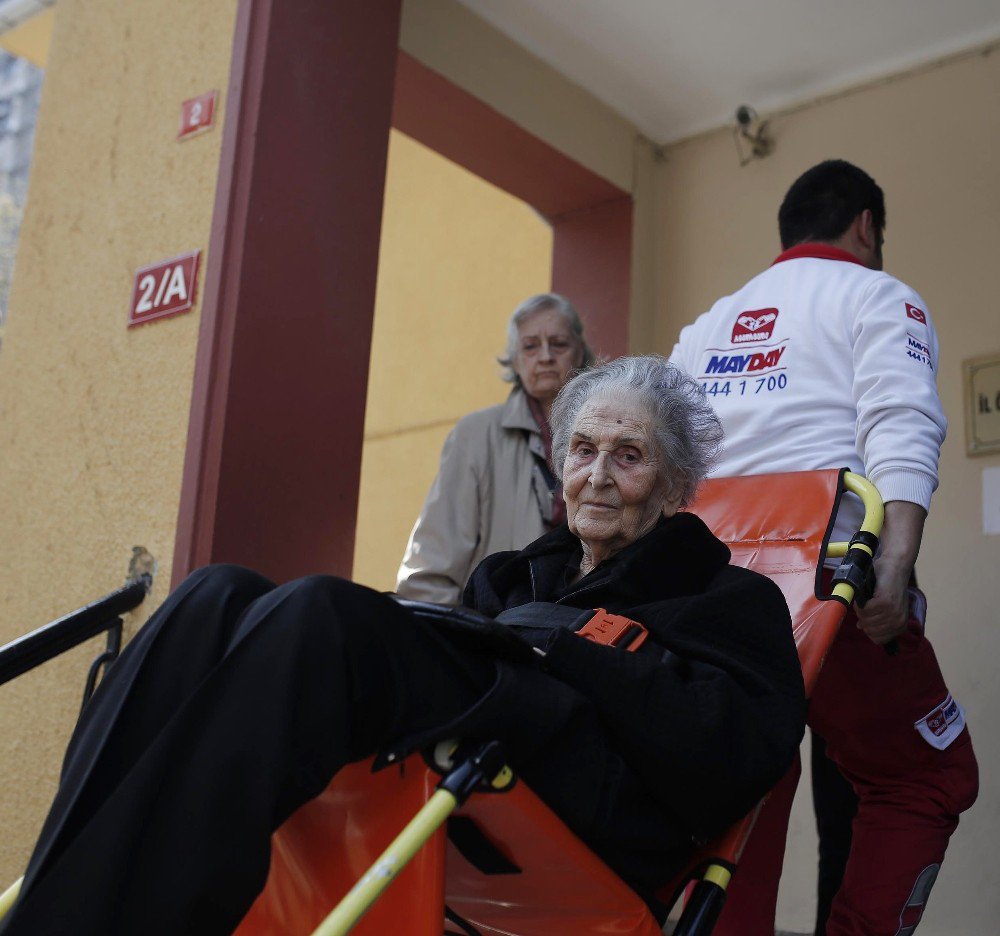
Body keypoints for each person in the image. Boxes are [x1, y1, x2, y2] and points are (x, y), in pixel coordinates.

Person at [1, 357, 806, 936]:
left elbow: (737, 757)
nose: (597, 475)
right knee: (214, 594)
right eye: (584, 450)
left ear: (672, 486)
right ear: (561, 463)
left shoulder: (726, 596)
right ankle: (50, 902)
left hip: (589, 803)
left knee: (324, 612)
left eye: (628, 457)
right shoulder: (513, 575)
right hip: (484, 738)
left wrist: (572, 644)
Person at [670, 160, 979, 936]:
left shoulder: (705, 327)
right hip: (827, 581)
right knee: (929, 775)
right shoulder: (880, 293)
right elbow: (902, 415)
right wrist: (898, 563)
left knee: (746, 783)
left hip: (706, 597)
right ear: (867, 227)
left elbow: (662, 460)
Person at [396, 292, 593, 604]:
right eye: (530, 346)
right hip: (491, 629)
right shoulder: (474, 435)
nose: (545, 356)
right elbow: (431, 565)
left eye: (558, 344)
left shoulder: (607, 434)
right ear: (514, 359)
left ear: (580, 352)